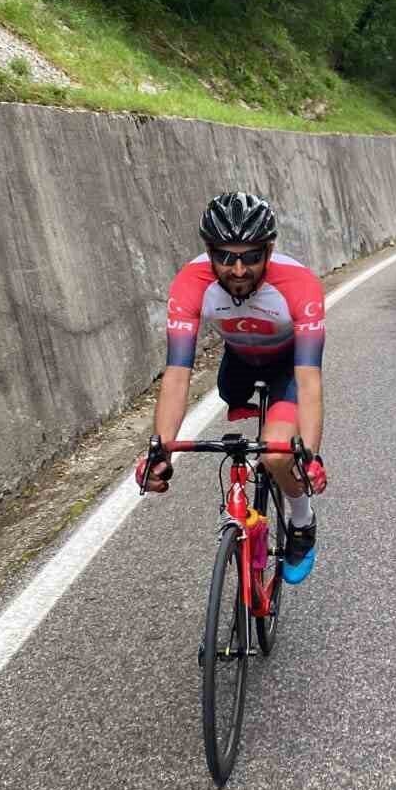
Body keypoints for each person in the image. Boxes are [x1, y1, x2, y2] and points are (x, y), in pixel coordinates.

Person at [136, 191, 327, 584]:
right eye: (225, 256)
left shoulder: (299, 284)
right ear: (209, 253)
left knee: (277, 456)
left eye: (251, 256)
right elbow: (176, 374)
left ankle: (303, 523)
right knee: (232, 397)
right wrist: (159, 448)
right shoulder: (191, 283)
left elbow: (308, 380)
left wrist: (310, 456)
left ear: (269, 250)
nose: (238, 269)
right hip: (237, 366)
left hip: (287, 367)